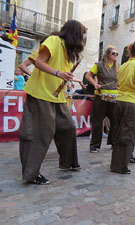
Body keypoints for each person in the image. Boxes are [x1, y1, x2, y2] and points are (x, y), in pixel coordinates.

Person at [19, 20, 86, 185]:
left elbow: (62, 72)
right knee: (39, 134)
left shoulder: (68, 51)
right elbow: (40, 62)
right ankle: (31, 174)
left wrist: (68, 78)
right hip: (41, 93)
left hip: (57, 96)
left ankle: (67, 163)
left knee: (68, 127)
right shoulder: (54, 41)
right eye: (81, 35)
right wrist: (58, 74)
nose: (83, 39)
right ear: (74, 34)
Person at [110, 39, 135, 174]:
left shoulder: (123, 66)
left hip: (120, 101)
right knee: (129, 133)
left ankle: (126, 158)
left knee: (121, 132)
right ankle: (120, 165)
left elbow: (119, 84)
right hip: (131, 103)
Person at [85, 46, 119, 153]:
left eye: (117, 54)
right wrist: (95, 84)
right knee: (98, 121)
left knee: (115, 121)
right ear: (108, 54)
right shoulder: (99, 65)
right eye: (114, 53)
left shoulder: (118, 67)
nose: (116, 55)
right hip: (101, 96)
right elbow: (88, 75)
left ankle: (114, 142)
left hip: (114, 97)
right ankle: (94, 145)